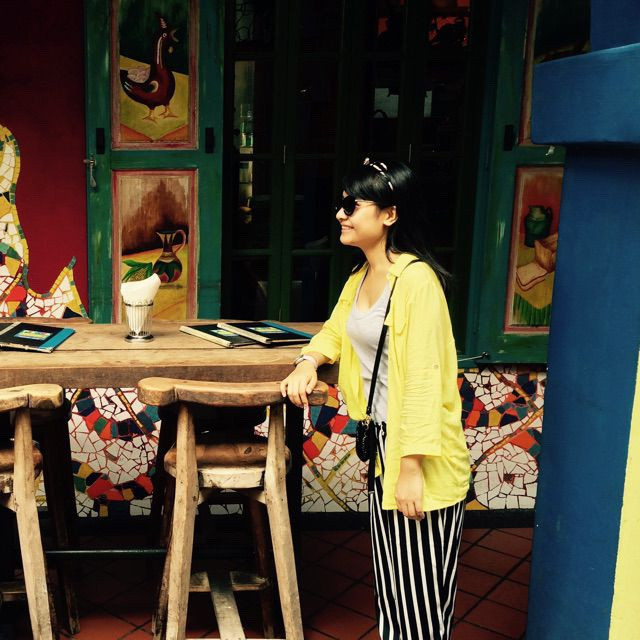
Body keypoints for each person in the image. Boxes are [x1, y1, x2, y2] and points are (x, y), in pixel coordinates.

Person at [280, 158, 471, 639]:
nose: (340, 214)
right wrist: (307, 361)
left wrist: (411, 468)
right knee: (393, 589)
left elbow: (425, 381)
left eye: (352, 205)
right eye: (341, 204)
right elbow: (334, 330)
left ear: (389, 215)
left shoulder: (417, 282)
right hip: (384, 447)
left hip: (418, 454)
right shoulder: (361, 277)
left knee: (420, 599)